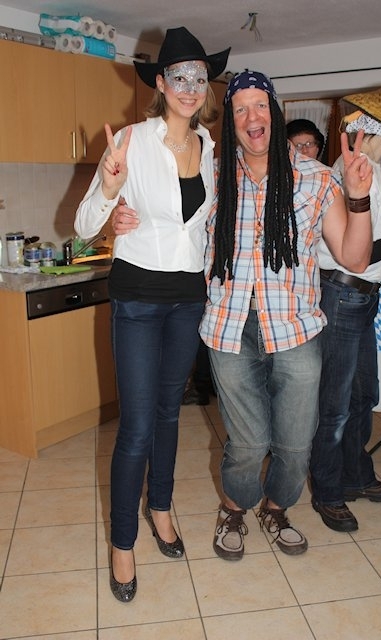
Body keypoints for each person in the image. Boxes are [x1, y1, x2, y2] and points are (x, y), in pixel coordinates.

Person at [75, 26, 230, 602]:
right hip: (138, 297)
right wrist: (108, 191)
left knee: (170, 413)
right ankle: (122, 542)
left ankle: (160, 507)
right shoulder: (131, 142)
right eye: (178, 77)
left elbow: (202, 227)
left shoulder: (210, 148)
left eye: (198, 77)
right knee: (138, 425)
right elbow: (83, 225)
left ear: (205, 87)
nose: (189, 87)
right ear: (160, 84)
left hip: (188, 298)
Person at [198, 70, 374, 561]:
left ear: (274, 112)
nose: (251, 117)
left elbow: (355, 258)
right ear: (231, 122)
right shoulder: (212, 176)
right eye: (240, 109)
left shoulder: (316, 178)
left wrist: (358, 196)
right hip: (229, 328)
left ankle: (275, 508)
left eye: (260, 105)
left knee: (296, 444)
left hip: (295, 329)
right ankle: (234, 506)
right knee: (248, 444)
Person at [310, 83, 381, 533]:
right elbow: (355, 256)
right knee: (335, 404)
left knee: (362, 395)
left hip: (358, 299)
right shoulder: (351, 171)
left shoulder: (368, 170)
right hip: (342, 295)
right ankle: (328, 490)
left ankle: (356, 475)